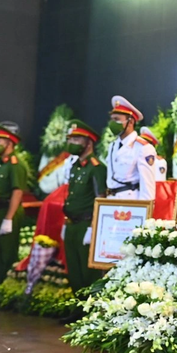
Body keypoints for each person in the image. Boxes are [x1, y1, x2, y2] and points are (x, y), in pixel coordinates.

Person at [61, 120, 106, 323]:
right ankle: (79, 309)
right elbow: (71, 196)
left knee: (88, 273)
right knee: (74, 270)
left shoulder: (96, 168)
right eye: (70, 138)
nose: (72, 142)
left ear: (89, 142)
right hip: (71, 224)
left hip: (86, 225)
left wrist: (93, 227)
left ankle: (92, 312)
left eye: (77, 138)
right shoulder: (76, 167)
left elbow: (100, 199)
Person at [0, 122, 29, 285]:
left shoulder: (15, 165)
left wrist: (9, 218)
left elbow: (17, 192)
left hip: (8, 210)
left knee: (6, 253)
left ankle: (4, 287)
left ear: (9, 142)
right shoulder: (0, 163)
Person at [105, 96, 156, 200]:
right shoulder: (113, 146)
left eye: (117, 119)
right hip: (111, 200)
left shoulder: (143, 147)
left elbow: (147, 186)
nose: (112, 123)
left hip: (131, 200)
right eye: (112, 119)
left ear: (131, 122)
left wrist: (145, 211)